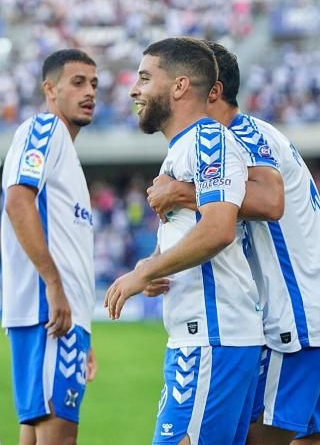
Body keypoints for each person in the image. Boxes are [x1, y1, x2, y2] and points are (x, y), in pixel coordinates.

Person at [144, 40, 320, 445]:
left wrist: (180, 192)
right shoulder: (259, 134)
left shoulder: (235, 135)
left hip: (294, 319)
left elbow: (269, 201)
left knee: (242, 435)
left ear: (211, 90)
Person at [104, 37, 265, 445]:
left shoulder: (207, 139)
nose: (133, 90)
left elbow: (218, 228)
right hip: (206, 337)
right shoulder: (182, 150)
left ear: (178, 86)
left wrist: (144, 273)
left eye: (143, 78)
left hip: (212, 337)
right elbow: (196, 230)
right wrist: (157, 263)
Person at [1, 49, 99, 445]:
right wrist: (54, 286)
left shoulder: (68, 156)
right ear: (50, 89)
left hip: (63, 318)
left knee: (36, 436)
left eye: (94, 84)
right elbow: (17, 200)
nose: (89, 91)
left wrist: (86, 332)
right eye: (78, 83)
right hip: (51, 314)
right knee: (58, 438)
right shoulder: (45, 129)